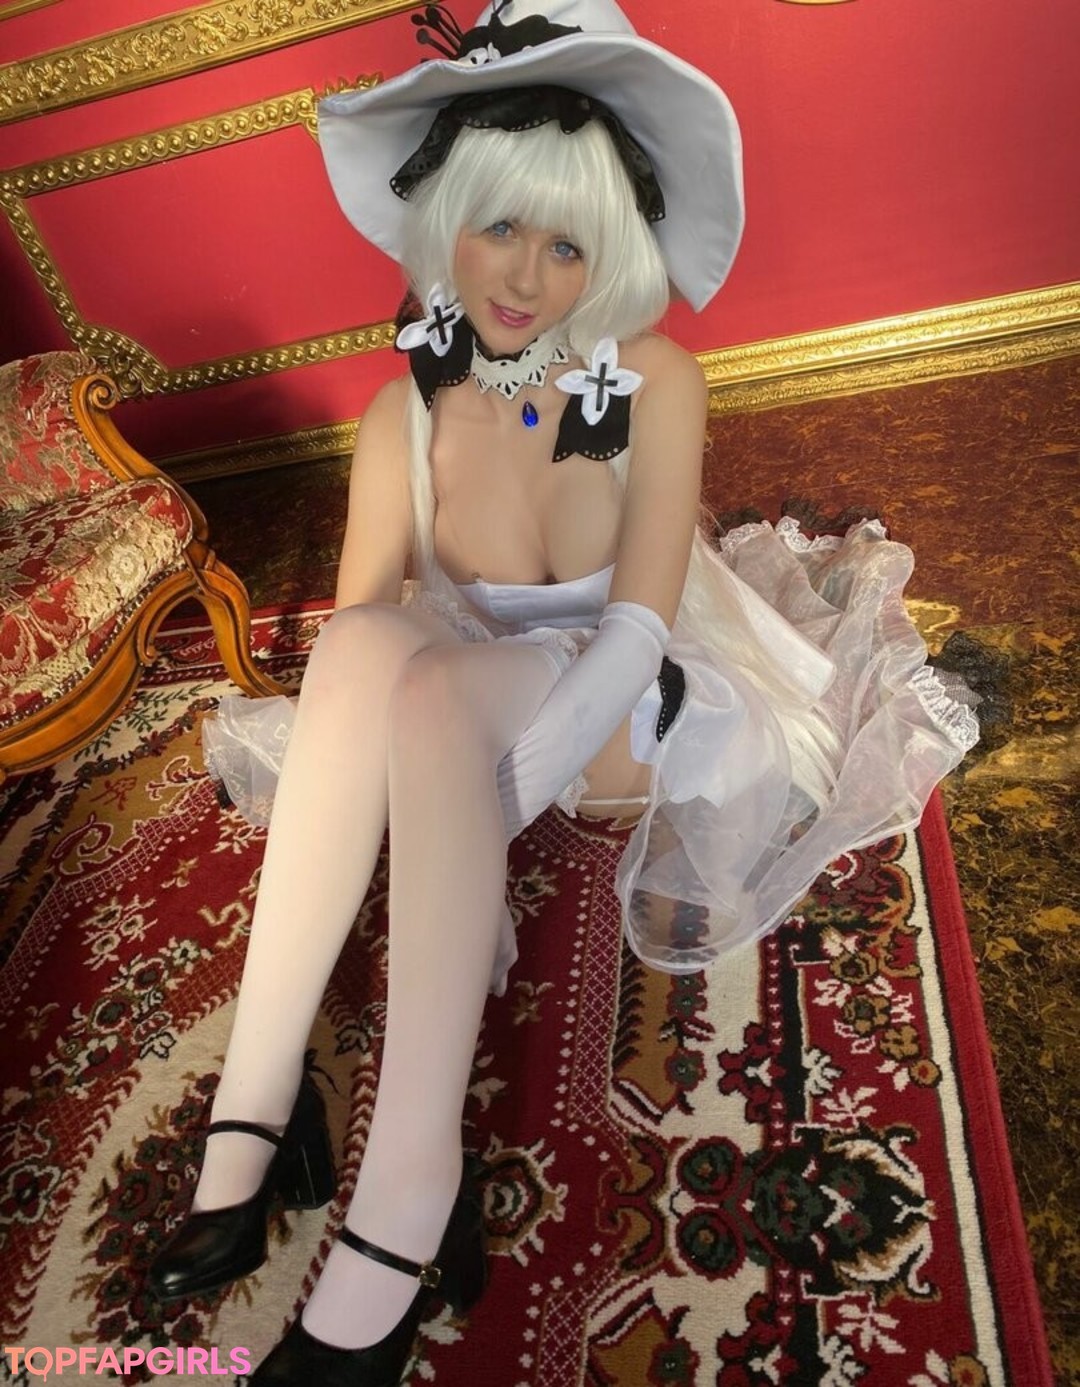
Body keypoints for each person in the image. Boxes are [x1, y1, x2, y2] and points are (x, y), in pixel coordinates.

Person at [146, 1, 979, 1382]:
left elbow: (633, 635)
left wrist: (457, 804)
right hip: (472, 676)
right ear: (447, 221)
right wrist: (415, 772)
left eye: (569, 243)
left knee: (428, 703)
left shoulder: (650, 381)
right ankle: (257, 1105)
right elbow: (362, 630)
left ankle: (413, 1189)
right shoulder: (404, 406)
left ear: (613, 251)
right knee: (359, 657)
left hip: (626, 697)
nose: (527, 278)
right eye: (499, 229)